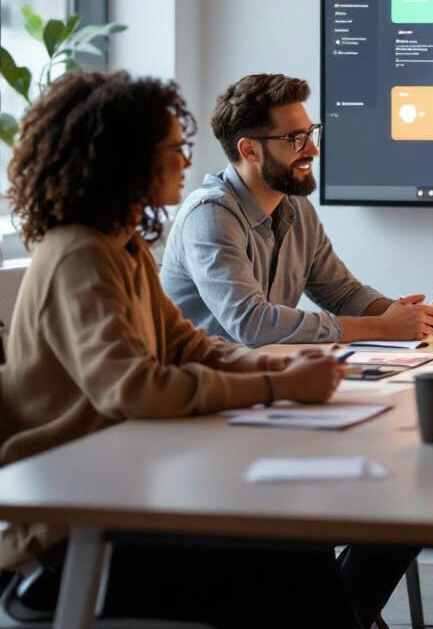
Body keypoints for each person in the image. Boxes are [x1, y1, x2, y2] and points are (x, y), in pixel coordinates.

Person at [0, 70, 360, 627]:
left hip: (121, 492)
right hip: (67, 539)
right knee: (291, 559)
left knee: (296, 550)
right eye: (173, 150)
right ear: (127, 161)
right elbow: (136, 389)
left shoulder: (121, 244)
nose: (186, 161)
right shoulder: (80, 255)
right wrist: (274, 385)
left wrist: (280, 368)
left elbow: (187, 345)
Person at [161, 73, 433, 346]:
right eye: (294, 138)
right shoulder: (210, 215)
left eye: (311, 134)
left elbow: (343, 294)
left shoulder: (296, 207)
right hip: (202, 374)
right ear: (249, 151)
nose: (312, 150)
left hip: (262, 368)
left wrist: (406, 316)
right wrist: (383, 327)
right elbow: (251, 323)